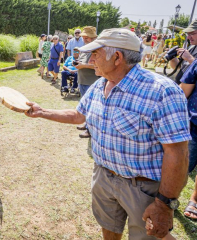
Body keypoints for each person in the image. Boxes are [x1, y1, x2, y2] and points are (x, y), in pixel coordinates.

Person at [25, 28, 190, 240]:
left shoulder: (162, 91)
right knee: (109, 228)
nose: (90, 58)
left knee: (148, 236)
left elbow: (178, 153)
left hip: (142, 189)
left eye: (96, 53)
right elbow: (78, 115)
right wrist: (41, 112)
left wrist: (164, 204)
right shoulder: (100, 84)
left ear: (117, 57)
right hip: (103, 177)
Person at [178, 20, 197, 220]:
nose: (188, 37)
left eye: (192, 33)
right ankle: (170, 197)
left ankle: (194, 200)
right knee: (183, 166)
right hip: (194, 125)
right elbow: (183, 92)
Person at [74, 26, 98, 138]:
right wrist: (78, 63)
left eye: (86, 37)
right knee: (85, 106)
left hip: (92, 82)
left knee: (91, 107)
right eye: (84, 37)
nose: (84, 39)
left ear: (92, 37)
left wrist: (83, 65)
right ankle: (87, 124)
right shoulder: (85, 48)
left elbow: (98, 65)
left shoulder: (97, 49)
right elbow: (83, 61)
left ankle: (90, 129)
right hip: (83, 80)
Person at [168, 20, 197, 84]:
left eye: (192, 33)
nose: (188, 37)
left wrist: (190, 59)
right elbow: (179, 67)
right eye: (188, 34)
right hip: (180, 90)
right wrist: (172, 58)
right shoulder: (192, 47)